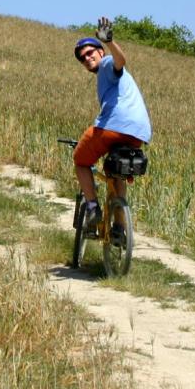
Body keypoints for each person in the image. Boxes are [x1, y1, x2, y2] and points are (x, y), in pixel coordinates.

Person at [73, 17, 151, 240]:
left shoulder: (107, 65)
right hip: (138, 132)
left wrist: (109, 42)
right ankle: (119, 228)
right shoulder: (109, 77)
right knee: (116, 173)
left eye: (90, 53)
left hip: (113, 126)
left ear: (101, 52)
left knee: (80, 160)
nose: (86, 59)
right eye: (82, 58)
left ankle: (92, 208)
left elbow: (120, 61)